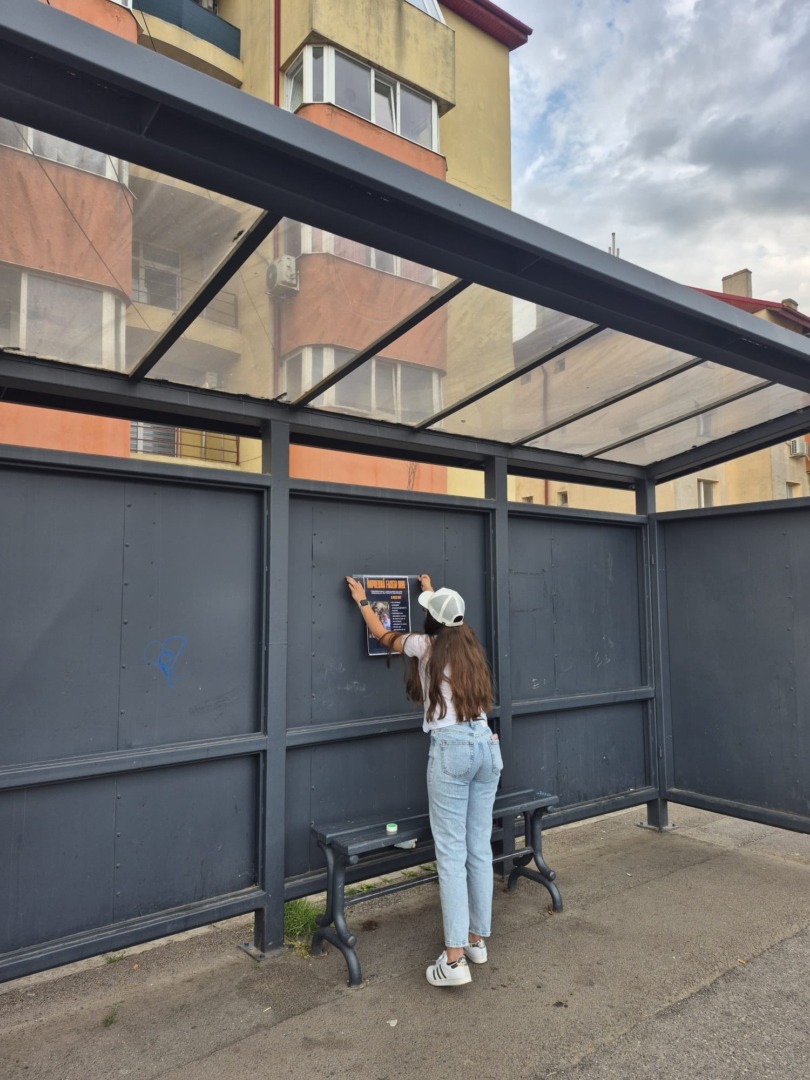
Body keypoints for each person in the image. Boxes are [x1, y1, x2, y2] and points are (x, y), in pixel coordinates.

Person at [345, 572, 503, 988]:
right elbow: (446, 616)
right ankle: (475, 941)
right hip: (486, 745)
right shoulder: (470, 648)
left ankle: (453, 961)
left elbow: (382, 634)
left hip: (452, 750)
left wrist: (362, 600)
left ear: (433, 620)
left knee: (450, 854)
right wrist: (431, 592)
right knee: (478, 848)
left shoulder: (425, 646)